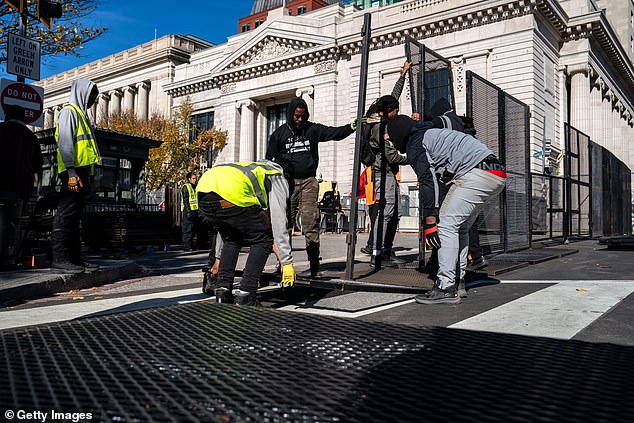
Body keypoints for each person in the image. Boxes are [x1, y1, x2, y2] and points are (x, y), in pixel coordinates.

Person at [387, 115, 507, 304]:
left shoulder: (415, 142)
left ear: (399, 135)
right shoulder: (431, 134)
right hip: (496, 172)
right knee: (460, 228)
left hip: (476, 173)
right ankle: (457, 281)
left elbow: (429, 182)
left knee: (445, 225)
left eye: (392, 138)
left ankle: (446, 287)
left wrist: (430, 221)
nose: (392, 143)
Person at [266, 97, 356, 278]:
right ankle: (283, 264)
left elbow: (334, 133)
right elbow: (269, 160)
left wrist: (353, 126)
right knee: (285, 224)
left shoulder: (312, 129)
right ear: (290, 115)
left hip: (308, 181)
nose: (300, 120)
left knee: (310, 223)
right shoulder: (279, 134)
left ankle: (315, 267)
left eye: (303, 116)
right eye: (297, 117)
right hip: (287, 183)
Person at [196, 159, 296, 306]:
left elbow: (222, 233)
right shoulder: (277, 174)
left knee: (231, 238)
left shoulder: (251, 168)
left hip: (203, 191)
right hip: (231, 193)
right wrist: (286, 262)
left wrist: (218, 257)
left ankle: (223, 291)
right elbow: (278, 219)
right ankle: (247, 294)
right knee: (263, 240)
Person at [423, 99, 488, 283]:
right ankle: (466, 263)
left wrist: (419, 123)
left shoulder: (447, 120)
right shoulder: (462, 128)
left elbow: (435, 124)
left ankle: (446, 277)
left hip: (452, 176)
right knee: (464, 225)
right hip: (472, 176)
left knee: (446, 224)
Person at [51, 78, 100, 274]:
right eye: (91, 96)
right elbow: (65, 143)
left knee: (74, 216)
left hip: (81, 173)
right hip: (72, 172)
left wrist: (87, 177)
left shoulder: (82, 115)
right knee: (66, 214)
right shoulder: (69, 112)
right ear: (82, 94)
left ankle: (75, 258)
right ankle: (60, 258)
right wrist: (71, 173)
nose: (92, 101)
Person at [0, 105, 43, 264]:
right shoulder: (30, 136)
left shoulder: (2, 129)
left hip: (2, 182)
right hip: (22, 185)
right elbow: (38, 163)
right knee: (15, 222)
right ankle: (10, 256)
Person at [180, 172, 202, 251]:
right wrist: (188, 212)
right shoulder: (186, 187)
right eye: (193, 178)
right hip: (187, 211)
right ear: (189, 179)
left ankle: (191, 245)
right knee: (187, 229)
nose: (195, 180)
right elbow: (186, 200)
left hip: (195, 211)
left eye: (196, 178)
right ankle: (186, 246)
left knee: (193, 229)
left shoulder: (195, 187)